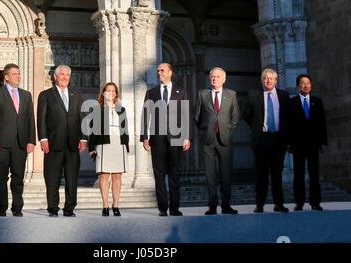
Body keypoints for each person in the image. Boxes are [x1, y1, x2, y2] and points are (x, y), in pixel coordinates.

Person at [140, 63, 192, 217]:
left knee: (175, 174)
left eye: (162, 70)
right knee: (159, 174)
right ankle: (163, 208)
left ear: (170, 72)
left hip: (176, 139)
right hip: (157, 140)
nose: (159, 73)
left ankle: (175, 208)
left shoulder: (180, 92)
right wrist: (144, 137)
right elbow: (145, 115)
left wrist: (187, 137)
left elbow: (186, 115)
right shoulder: (151, 92)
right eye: (158, 71)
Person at [37, 65, 87, 217]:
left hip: (72, 144)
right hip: (53, 143)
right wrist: (43, 138)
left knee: (72, 179)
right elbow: (41, 119)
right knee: (52, 178)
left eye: (67, 75)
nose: (65, 77)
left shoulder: (77, 96)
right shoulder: (46, 95)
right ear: (55, 77)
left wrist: (84, 137)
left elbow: (82, 119)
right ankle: (53, 208)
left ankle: (69, 208)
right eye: (62, 75)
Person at [0, 63, 36, 217]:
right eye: (14, 74)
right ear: (6, 77)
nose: (18, 76)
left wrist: (31, 140)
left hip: (20, 143)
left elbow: (30, 119)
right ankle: (1, 208)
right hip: (1, 144)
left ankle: (17, 208)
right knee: (0, 178)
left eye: (19, 73)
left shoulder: (26, 95)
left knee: (18, 177)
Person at [195, 67, 240, 215]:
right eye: (212, 76)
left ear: (224, 79)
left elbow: (235, 116)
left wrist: (228, 129)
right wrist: (203, 130)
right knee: (210, 175)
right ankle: (212, 206)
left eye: (218, 77)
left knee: (226, 174)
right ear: (210, 78)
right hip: (208, 140)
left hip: (225, 139)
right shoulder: (202, 94)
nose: (214, 79)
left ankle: (226, 205)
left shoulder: (231, 94)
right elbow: (197, 116)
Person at [244, 68, 289, 213]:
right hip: (261, 140)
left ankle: (279, 204)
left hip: (278, 140)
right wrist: (257, 127)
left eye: (271, 78)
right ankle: (260, 204)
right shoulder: (253, 94)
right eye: (265, 78)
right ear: (262, 80)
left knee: (277, 174)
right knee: (261, 174)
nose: (268, 80)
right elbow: (247, 115)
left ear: (276, 81)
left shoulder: (284, 95)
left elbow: (287, 118)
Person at [88, 82, 129, 217]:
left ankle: (115, 204)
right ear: (103, 93)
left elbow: (125, 130)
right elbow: (92, 130)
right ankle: (105, 205)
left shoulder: (121, 110)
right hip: (103, 144)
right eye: (108, 90)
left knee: (117, 176)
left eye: (113, 91)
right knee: (104, 175)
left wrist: (126, 146)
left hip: (119, 144)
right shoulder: (97, 110)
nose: (110, 93)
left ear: (116, 94)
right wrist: (91, 147)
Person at [288, 74, 327, 211]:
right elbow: (289, 125)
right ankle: (299, 202)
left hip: (314, 144)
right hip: (298, 145)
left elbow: (322, 123)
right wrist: (289, 143)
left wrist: (322, 142)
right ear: (298, 86)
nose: (306, 85)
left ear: (311, 85)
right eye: (303, 83)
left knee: (314, 173)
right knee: (298, 173)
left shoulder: (317, 101)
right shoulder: (292, 103)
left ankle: (315, 202)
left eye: (308, 83)